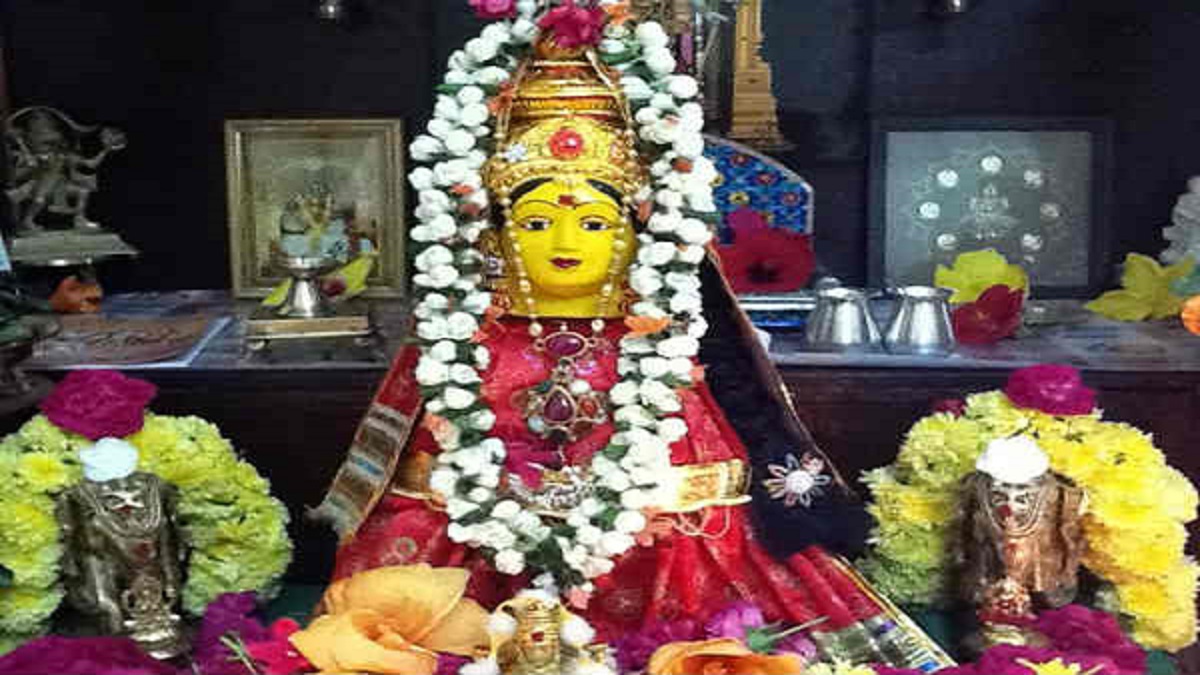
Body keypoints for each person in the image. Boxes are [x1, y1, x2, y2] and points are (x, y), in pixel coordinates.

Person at [313, 16, 946, 669]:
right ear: (495, 235)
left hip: (642, 549)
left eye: (593, 222)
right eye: (536, 222)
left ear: (638, 236)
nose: (565, 243)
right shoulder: (464, 349)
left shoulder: (663, 352)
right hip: (478, 573)